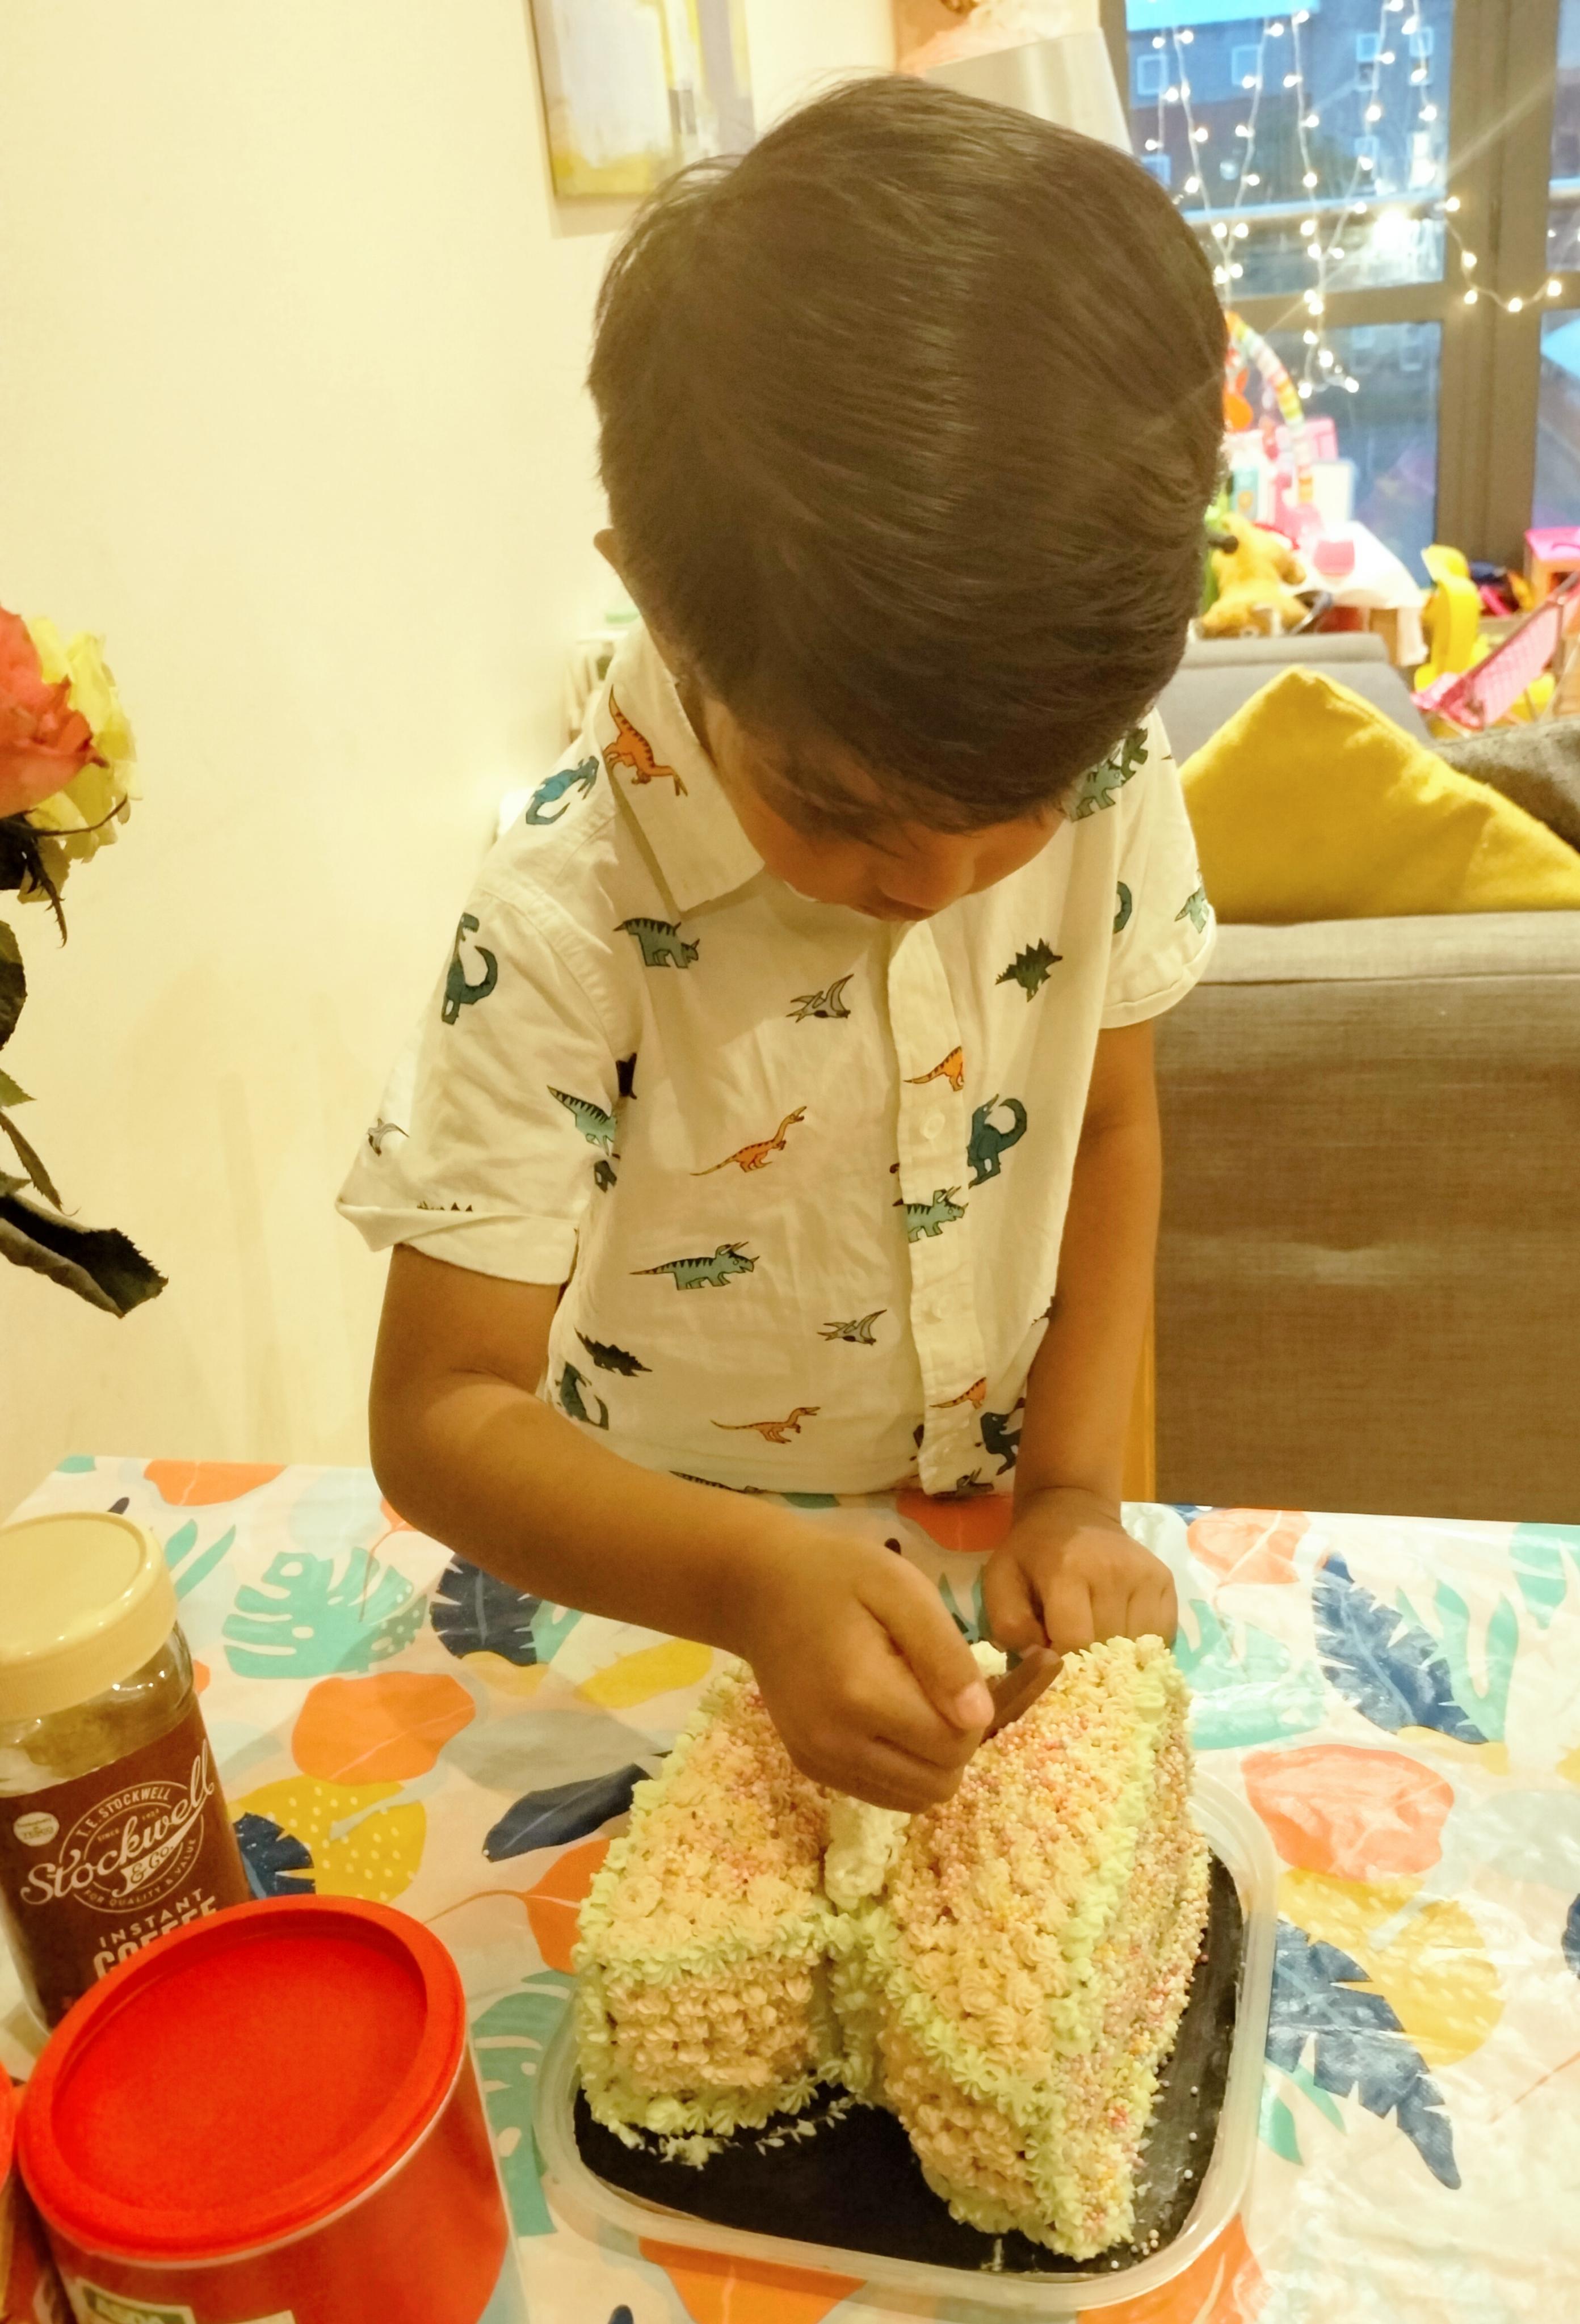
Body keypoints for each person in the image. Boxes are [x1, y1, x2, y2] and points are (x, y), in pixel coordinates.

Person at [340, 75, 1225, 1813]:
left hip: (995, 1527)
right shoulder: (563, 906)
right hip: (660, 1589)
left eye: (1019, 809)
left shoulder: (1105, 764)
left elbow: (1112, 1126)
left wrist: (1071, 1491)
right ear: (661, 606)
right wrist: (746, 1578)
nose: (941, 878)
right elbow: (440, 1410)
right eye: (838, 806)